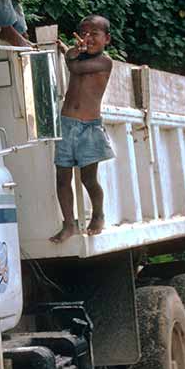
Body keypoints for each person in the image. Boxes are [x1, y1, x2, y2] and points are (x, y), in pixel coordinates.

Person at [50, 15, 115, 242]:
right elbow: (72, 60)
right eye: (84, 33)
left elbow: (75, 68)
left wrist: (70, 52)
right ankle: (69, 224)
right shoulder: (77, 57)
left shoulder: (105, 62)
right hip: (67, 125)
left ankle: (98, 215)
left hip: (89, 128)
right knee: (62, 178)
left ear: (106, 39)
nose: (88, 38)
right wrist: (69, 51)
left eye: (94, 34)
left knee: (89, 179)